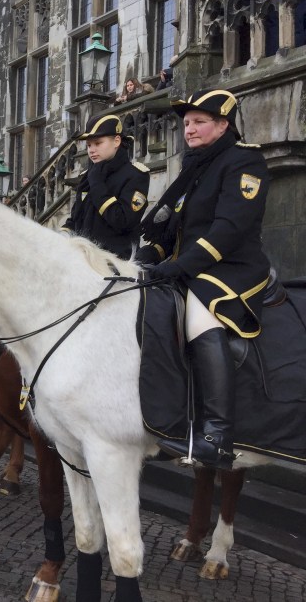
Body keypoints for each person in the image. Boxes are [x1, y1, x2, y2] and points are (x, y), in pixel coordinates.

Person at [138, 88, 271, 470]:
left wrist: (180, 267)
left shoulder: (245, 162)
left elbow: (228, 230)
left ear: (223, 125)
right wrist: (146, 259)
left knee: (200, 310)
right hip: (195, 265)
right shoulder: (195, 169)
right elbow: (178, 231)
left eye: (199, 122)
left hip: (233, 269)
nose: (190, 130)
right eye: (186, 124)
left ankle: (217, 434)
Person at [60, 114, 150, 260]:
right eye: (89, 145)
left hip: (116, 265)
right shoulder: (89, 176)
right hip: (83, 262)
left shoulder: (135, 175)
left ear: (116, 141)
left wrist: (97, 185)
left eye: (98, 143)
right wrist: (61, 236)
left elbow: (122, 221)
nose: (91, 150)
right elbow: (76, 219)